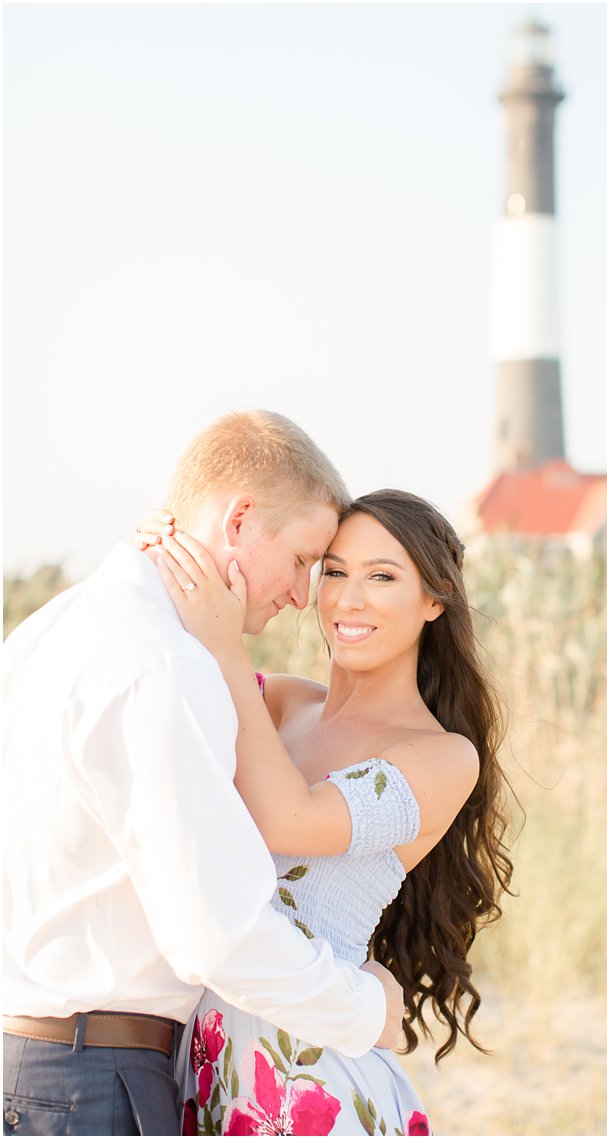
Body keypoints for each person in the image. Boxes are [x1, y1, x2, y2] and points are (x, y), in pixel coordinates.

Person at [2, 411, 402, 1136]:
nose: (301, 592)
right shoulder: (164, 662)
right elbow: (218, 934)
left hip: (31, 1061)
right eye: (305, 557)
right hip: (94, 1081)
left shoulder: (45, 632)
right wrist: (368, 1009)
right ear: (241, 519)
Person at [140, 488, 514, 1135]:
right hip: (201, 1066)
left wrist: (230, 650)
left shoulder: (442, 756)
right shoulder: (279, 703)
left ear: (435, 599)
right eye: (334, 571)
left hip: (313, 1086)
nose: (348, 597)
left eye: (382, 576)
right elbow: (164, 698)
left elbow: (291, 819)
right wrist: (168, 555)